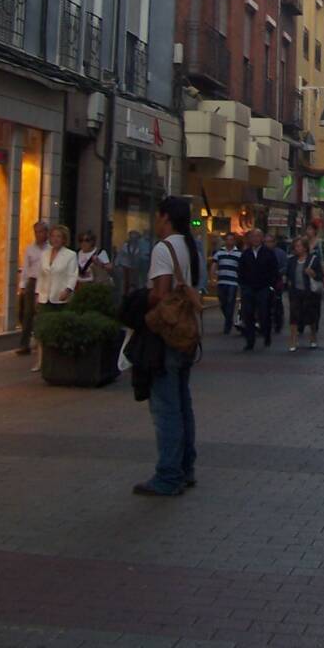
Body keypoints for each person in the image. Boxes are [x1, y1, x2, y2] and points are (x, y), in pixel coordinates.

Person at [133, 196, 201, 497]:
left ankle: (169, 474)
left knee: (166, 409)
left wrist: (138, 301)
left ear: (165, 217)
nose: (156, 221)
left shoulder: (165, 248)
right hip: (187, 335)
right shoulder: (190, 246)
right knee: (182, 403)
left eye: (158, 216)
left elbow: (161, 294)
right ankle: (186, 468)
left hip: (167, 335)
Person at [33, 224, 78, 372]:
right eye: (53, 236)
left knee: (60, 329)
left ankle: (60, 360)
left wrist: (68, 289)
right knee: (42, 329)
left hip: (60, 297)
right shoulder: (45, 254)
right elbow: (41, 275)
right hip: (45, 297)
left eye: (59, 236)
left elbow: (73, 275)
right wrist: (37, 294)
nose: (55, 239)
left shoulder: (70, 255)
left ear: (64, 239)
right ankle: (40, 361)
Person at [238, 228, 280, 350]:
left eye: (258, 236)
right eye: (253, 236)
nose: (255, 239)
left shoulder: (268, 253)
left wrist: (271, 285)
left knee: (264, 313)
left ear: (262, 238)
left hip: (263, 288)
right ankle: (250, 340)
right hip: (249, 288)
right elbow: (241, 270)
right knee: (248, 314)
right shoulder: (246, 254)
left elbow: (274, 270)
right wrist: (243, 285)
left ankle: (266, 334)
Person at [15, 219, 48, 356]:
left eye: (41, 232)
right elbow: (26, 268)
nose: (39, 235)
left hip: (45, 281)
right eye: (36, 232)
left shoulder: (50, 249)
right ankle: (24, 344)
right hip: (33, 281)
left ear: (46, 233)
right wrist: (23, 286)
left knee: (42, 312)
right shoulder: (30, 249)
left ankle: (42, 343)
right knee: (27, 313)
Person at [286, 237, 324, 350]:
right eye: (295, 246)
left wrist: (313, 274)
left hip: (309, 292)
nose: (296, 248)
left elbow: (320, 276)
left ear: (305, 248)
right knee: (294, 316)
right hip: (295, 292)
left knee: (311, 316)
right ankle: (293, 340)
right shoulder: (292, 260)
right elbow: (288, 274)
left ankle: (313, 336)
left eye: (299, 246)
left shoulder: (313, 259)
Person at [210, 232, 241, 335]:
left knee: (230, 302)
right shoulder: (220, 252)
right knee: (222, 301)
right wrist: (212, 278)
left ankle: (227, 325)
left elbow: (242, 268)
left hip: (233, 282)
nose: (229, 241)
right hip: (221, 281)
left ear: (234, 241)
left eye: (231, 239)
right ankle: (229, 319)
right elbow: (214, 265)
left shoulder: (239, 254)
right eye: (227, 239)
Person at [116, 229, 149, 295]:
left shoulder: (139, 247)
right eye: (132, 237)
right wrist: (117, 264)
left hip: (135, 267)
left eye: (135, 238)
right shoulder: (125, 246)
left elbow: (140, 256)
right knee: (126, 282)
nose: (133, 239)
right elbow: (120, 256)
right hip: (125, 267)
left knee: (136, 282)